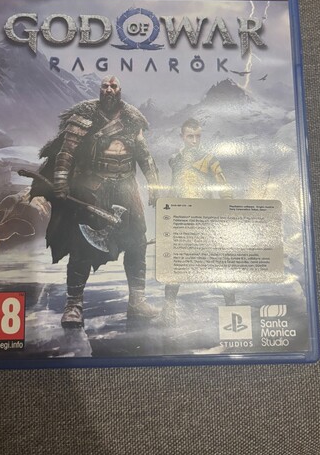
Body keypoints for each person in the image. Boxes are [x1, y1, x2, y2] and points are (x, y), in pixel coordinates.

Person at [30, 76, 160, 328]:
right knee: (81, 245)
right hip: (93, 187)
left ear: (120, 90)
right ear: (100, 90)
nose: (109, 90)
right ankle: (74, 305)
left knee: (137, 242)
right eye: (105, 87)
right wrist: (60, 180)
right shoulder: (83, 116)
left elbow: (144, 155)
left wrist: (155, 186)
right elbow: (66, 152)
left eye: (113, 86)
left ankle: (137, 302)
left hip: (126, 188)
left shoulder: (132, 119)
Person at [161, 118, 233, 324]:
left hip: (205, 221)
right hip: (181, 221)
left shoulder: (210, 160)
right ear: (182, 137)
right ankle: (169, 312)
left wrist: (229, 212)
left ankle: (232, 310)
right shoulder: (175, 160)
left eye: (197, 136)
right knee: (175, 267)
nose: (194, 140)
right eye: (190, 136)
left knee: (219, 267)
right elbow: (174, 187)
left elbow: (224, 188)